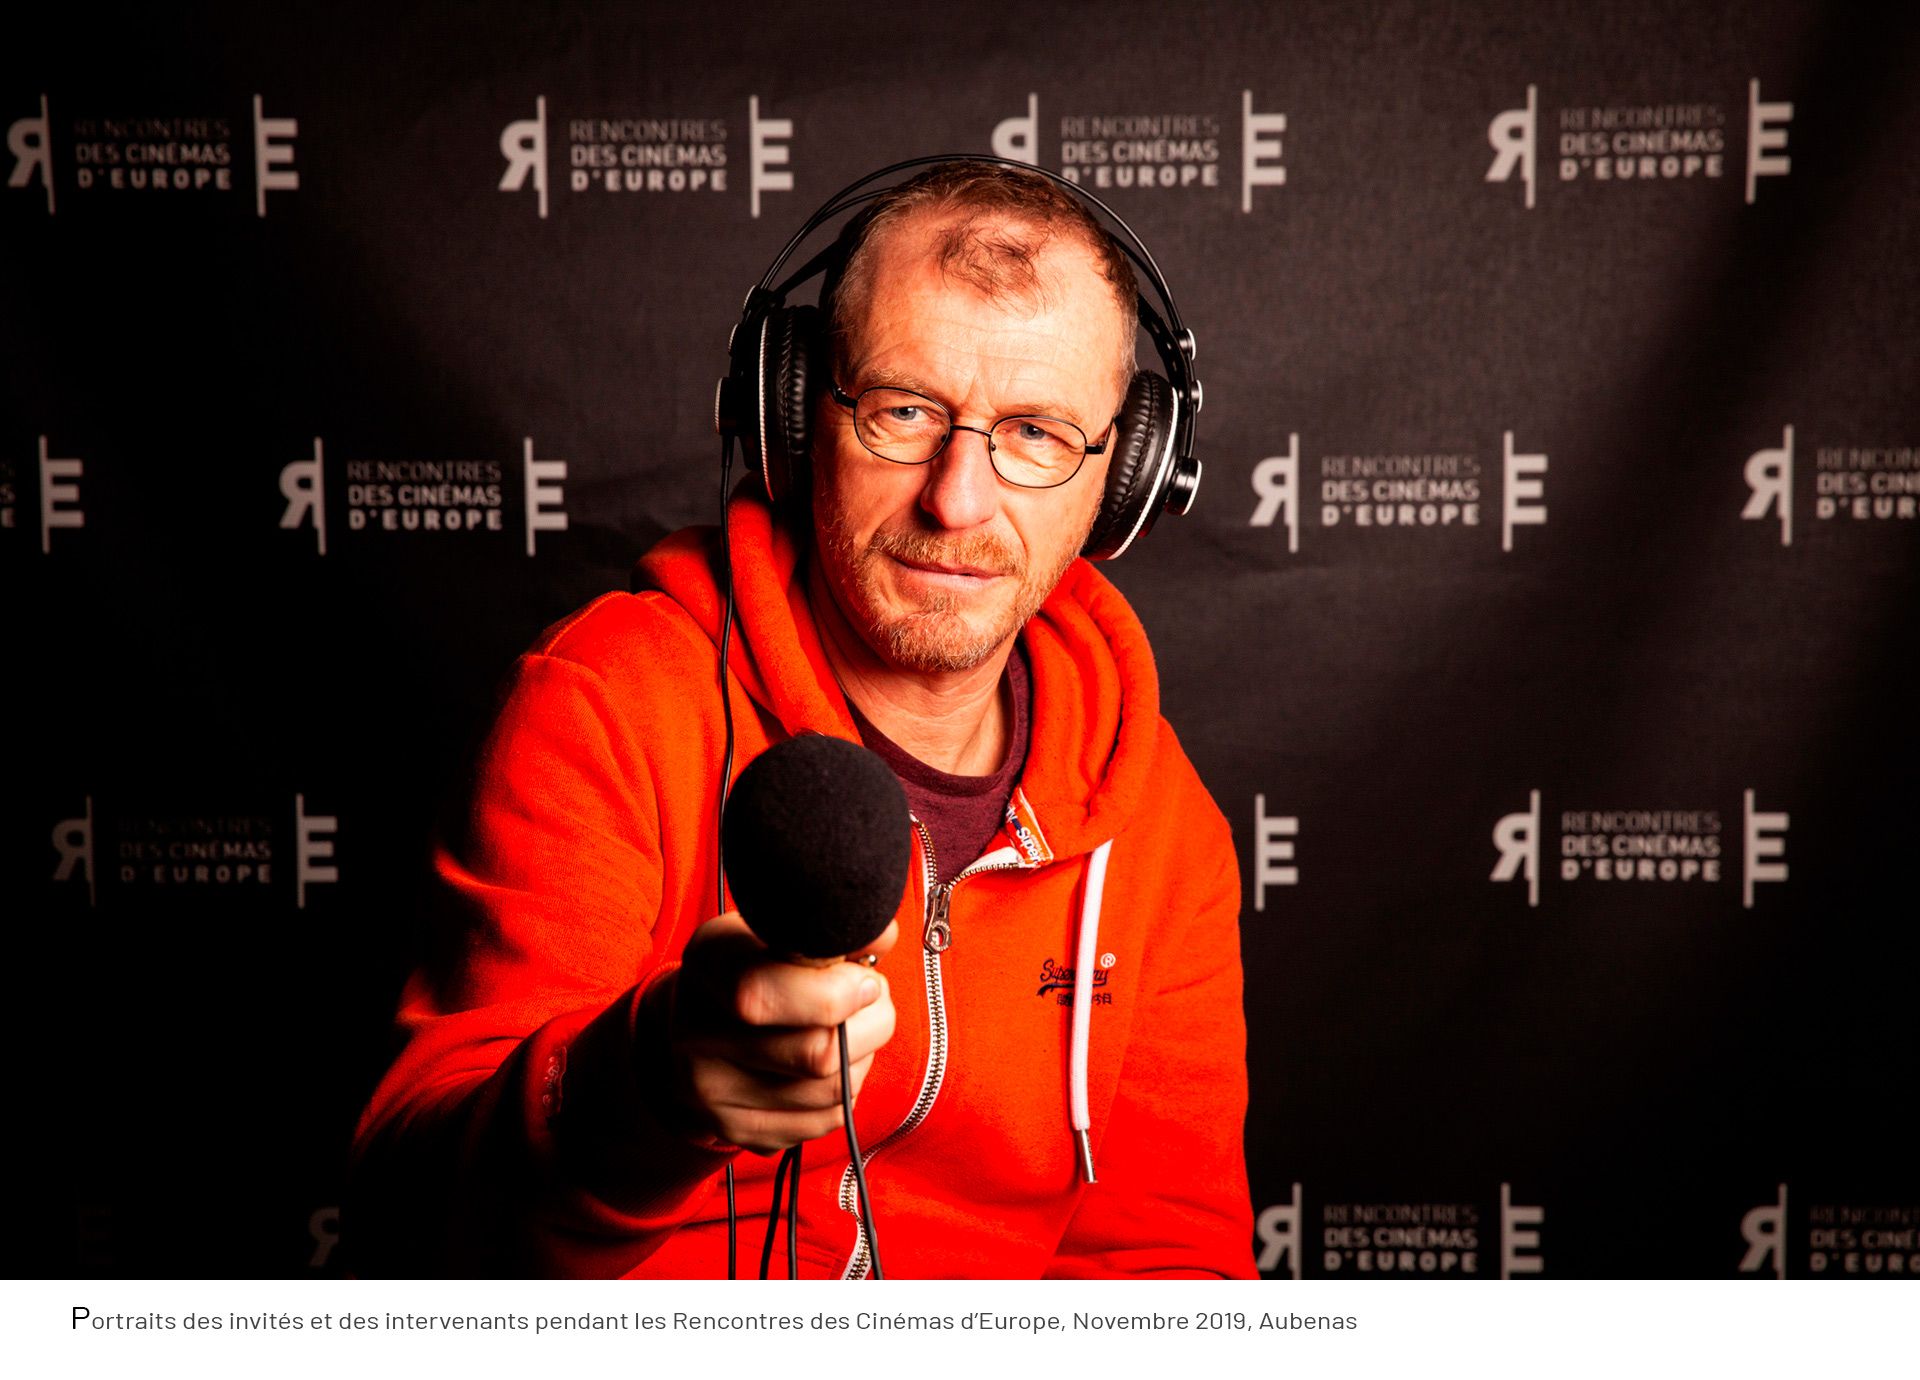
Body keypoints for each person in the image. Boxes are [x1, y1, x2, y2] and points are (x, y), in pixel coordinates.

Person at [350, 160, 1255, 1279]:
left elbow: (1168, 1272)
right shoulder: (611, 703)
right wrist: (633, 1094)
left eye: (1035, 435)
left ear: (1126, 478)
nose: (956, 498)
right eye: (904, 410)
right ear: (792, 414)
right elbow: (407, 1207)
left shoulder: (1164, 830)